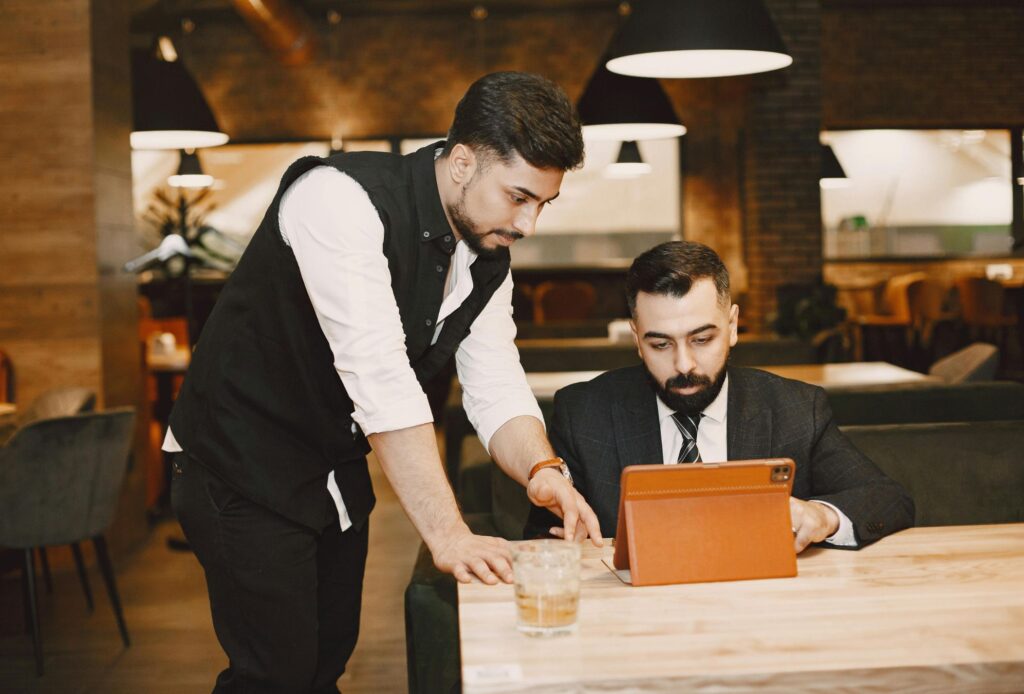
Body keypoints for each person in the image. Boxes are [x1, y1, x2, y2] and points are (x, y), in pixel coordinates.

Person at [167, 72, 603, 693]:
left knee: (324, 664)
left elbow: (497, 386)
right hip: (238, 464)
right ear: (461, 163)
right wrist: (448, 534)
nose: (529, 223)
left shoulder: (485, 256)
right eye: (518, 196)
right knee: (275, 675)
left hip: (332, 468)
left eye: (542, 204)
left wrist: (543, 472)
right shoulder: (338, 199)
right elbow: (380, 378)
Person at [526, 241, 913, 551]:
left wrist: (822, 517)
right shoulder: (584, 414)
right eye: (660, 344)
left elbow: (887, 498)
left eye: (702, 339)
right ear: (637, 341)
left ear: (732, 326)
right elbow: (541, 536)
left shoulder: (796, 409)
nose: (684, 364)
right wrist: (561, 546)